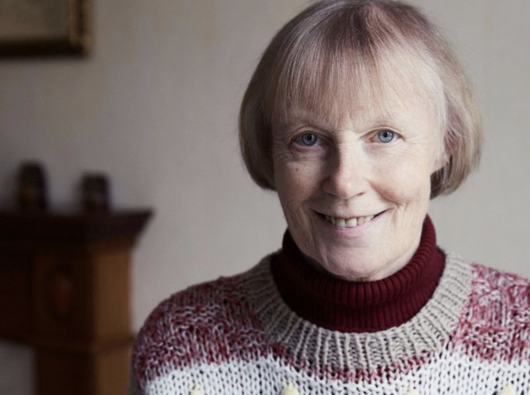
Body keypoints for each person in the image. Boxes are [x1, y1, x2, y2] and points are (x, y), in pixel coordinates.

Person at [128, 1, 530, 394]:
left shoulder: (522, 335)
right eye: (308, 139)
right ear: (269, 151)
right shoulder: (177, 349)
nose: (344, 182)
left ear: (447, 144)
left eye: (384, 135)